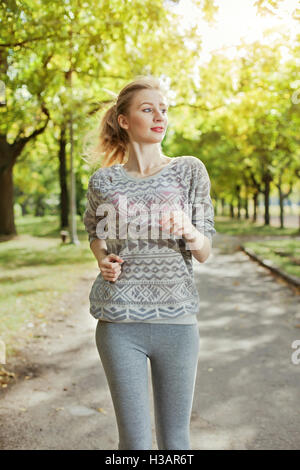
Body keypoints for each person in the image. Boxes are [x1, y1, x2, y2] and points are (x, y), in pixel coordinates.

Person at [83, 75, 216, 450]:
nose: (160, 116)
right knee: (135, 444)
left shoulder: (188, 170)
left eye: (164, 109)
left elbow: (205, 251)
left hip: (177, 322)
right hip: (118, 322)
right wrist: (102, 258)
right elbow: (95, 231)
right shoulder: (103, 181)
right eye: (148, 109)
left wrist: (189, 230)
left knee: (175, 441)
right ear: (124, 120)